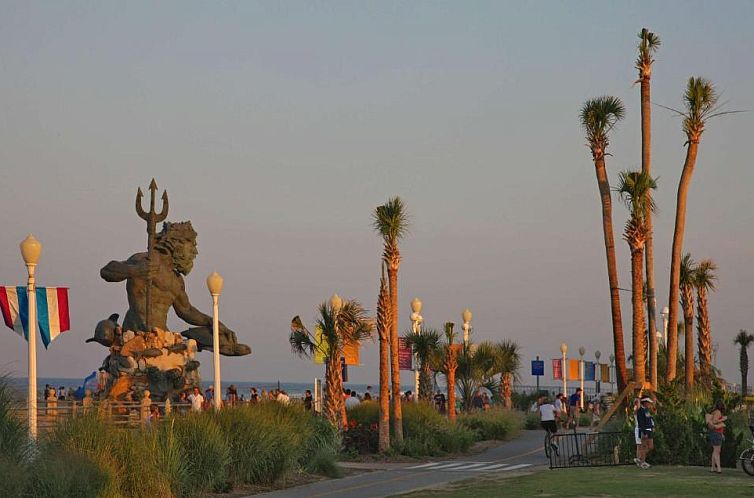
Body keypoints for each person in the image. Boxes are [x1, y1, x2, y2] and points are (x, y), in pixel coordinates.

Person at [707, 399, 727, 473]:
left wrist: (721, 434)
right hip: (716, 433)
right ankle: (718, 468)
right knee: (717, 451)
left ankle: (713, 468)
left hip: (715, 433)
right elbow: (714, 421)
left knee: (715, 451)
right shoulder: (718, 412)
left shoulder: (714, 412)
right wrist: (723, 420)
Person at [636, 397, 655, 469]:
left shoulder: (646, 410)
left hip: (649, 430)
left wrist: (652, 426)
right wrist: (644, 432)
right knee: (644, 446)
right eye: (648, 402)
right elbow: (641, 423)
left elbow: (649, 419)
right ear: (645, 402)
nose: (649, 404)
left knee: (650, 447)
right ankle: (642, 462)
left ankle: (640, 458)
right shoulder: (640, 411)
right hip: (644, 431)